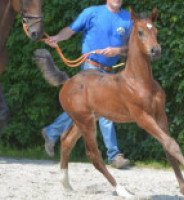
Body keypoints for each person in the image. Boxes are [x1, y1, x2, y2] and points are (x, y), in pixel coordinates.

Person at [42, 0, 132, 169]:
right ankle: (115, 155)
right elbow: (71, 29)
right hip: (91, 68)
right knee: (105, 111)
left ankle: (51, 131)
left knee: (84, 109)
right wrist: (57, 38)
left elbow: (133, 46)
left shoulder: (128, 20)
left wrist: (117, 51)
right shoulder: (92, 13)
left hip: (111, 71)